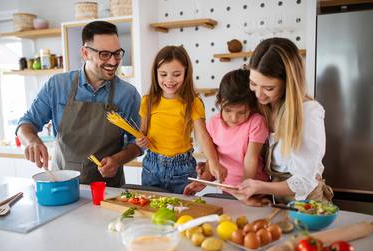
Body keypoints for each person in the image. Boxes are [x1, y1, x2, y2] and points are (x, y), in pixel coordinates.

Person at [16, 21, 141, 186]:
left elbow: (138, 142)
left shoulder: (128, 94)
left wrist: (117, 160)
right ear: (85, 53)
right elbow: (26, 124)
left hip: (108, 191)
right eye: (104, 54)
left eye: (117, 54)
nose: (113, 62)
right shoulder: (57, 85)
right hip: (61, 184)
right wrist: (31, 141)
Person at [225, 37, 333, 203]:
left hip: (307, 202)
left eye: (268, 88)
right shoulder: (263, 105)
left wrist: (260, 187)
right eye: (253, 84)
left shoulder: (308, 112)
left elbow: (305, 182)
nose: (258, 95)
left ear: (288, 84)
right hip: (276, 200)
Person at [136, 45, 227, 194]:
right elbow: (142, 132)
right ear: (156, 74)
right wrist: (140, 140)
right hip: (152, 166)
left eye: (176, 74)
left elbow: (203, 136)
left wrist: (214, 163)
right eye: (163, 74)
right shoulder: (148, 101)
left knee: (181, 211)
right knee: (152, 211)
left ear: (186, 73)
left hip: (182, 168)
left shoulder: (193, 102)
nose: (169, 80)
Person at [183, 69, 269, 196]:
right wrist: (202, 181)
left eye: (241, 112)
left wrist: (245, 189)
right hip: (228, 189)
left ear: (251, 107)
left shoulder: (256, 122)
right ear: (220, 102)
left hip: (256, 189)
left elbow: (251, 159)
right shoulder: (213, 123)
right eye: (228, 110)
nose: (234, 118)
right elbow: (214, 160)